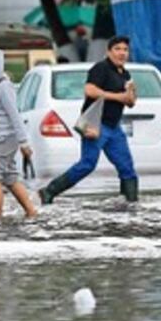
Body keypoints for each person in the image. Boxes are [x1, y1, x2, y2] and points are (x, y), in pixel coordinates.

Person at [38, 35, 139, 204]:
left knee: (127, 168)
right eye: (117, 49)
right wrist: (117, 96)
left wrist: (129, 96)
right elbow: (89, 90)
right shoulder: (101, 68)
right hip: (95, 125)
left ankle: (130, 204)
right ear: (109, 52)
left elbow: (130, 102)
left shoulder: (125, 74)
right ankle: (49, 191)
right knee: (87, 164)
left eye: (125, 50)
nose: (122, 53)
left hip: (114, 128)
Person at [0, 48, 37, 219]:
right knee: (10, 178)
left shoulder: (5, 87)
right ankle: (31, 212)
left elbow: (15, 115)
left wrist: (24, 142)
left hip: (6, 138)